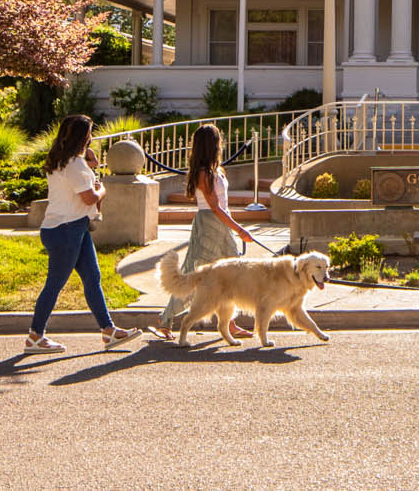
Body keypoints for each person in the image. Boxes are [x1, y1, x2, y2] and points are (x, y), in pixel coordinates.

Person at [24, 114, 143, 355]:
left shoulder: (61, 160)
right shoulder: (75, 165)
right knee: (55, 284)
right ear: (82, 136)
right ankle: (35, 336)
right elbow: (89, 197)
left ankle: (108, 331)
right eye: (89, 133)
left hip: (69, 227)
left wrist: (91, 167)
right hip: (66, 230)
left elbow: (75, 182)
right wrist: (103, 190)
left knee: (92, 277)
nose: (91, 137)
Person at [153, 123, 266, 341]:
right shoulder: (204, 174)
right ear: (211, 145)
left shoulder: (217, 170)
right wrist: (240, 228)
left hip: (222, 225)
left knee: (233, 273)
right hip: (208, 224)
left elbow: (223, 206)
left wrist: (233, 227)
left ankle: (229, 322)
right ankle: (166, 320)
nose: (220, 144)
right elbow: (214, 207)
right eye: (218, 141)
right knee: (194, 272)